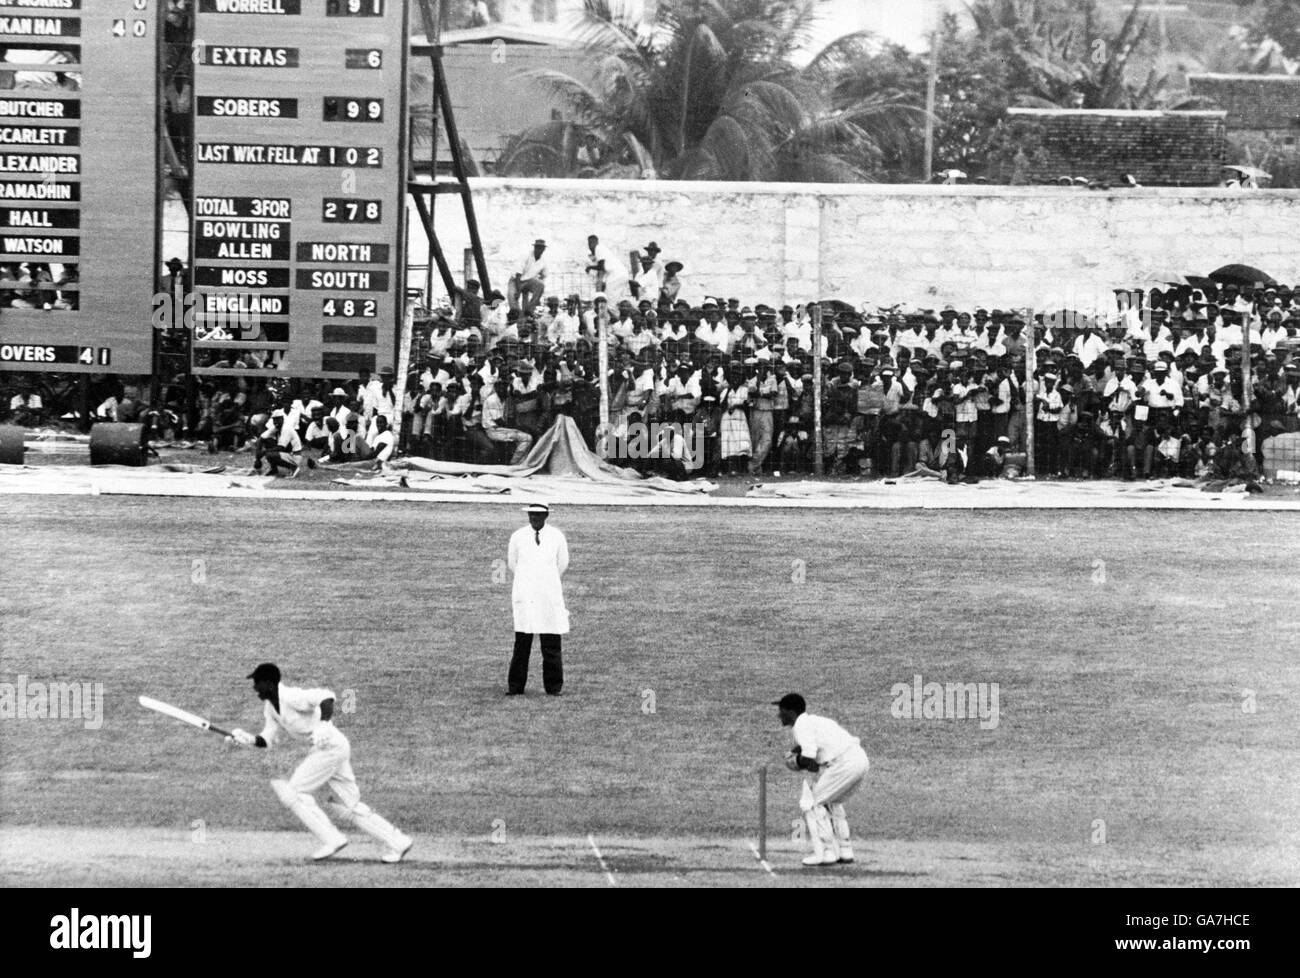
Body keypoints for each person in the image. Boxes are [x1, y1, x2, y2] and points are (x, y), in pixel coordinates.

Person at [225, 663, 413, 863]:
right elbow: (267, 739)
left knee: (294, 793)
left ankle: (332, 839)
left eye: (257, 683)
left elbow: (327, 697)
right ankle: (399, 842)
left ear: (269, 683)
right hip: (330, 749)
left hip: (331, 747)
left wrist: (323, 725)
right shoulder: (270, 708)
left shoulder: (291, 697)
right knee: (348, 806)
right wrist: (247, 738)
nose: (254, 688)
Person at [774, 693, 868, 867]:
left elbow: (809, 757)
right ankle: (845, 850)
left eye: (782, 710)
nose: (779, 715)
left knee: (812, 803)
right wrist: (798, 751)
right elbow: (814, 752)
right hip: (859, 759)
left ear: (791, 712)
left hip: (844, 763)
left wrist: (795, 762)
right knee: (831, 801)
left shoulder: (800, 726)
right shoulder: (814, 721)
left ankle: (825, 853)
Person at [506, 503, 570, 696]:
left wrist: (545, 581)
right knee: (522, 644)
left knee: (551, 643)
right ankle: (516, 687)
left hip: (548, 595)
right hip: (525, 594)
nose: (534, 518)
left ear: (546, 515)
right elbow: (512, 563)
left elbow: (562, 563)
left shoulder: (557, 536)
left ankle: (553, 687)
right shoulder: (518, 536)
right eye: (532, 514)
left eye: (539, 514)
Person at [511, 238, 548, 314]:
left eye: (541, 248)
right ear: (534, 248)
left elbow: (544, 275)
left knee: (541, 286)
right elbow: (518, 273)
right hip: (516, 281)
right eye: (537, 247)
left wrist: (537, 296)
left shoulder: (543, 262)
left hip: (529, 282)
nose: (539, 250)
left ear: (544, 249)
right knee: (513, 303)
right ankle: (516, 315)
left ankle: (529, 311)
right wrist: (518, 291)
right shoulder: (525, 256)